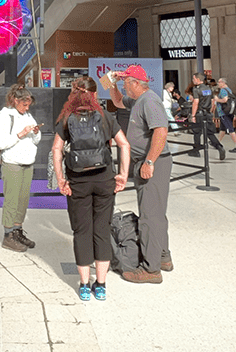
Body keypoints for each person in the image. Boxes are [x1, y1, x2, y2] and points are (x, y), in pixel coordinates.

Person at [52, 76, 130, 301]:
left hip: (78, 181)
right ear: (95, 95)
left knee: (82, 231)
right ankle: (102, 285)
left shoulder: (68, 118)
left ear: (74, 95)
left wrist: (60, 179)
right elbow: (124, 144)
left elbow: (57, 149)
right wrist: (122, 175)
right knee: (101, 230)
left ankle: (84, 285)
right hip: (104, 179)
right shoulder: (106, 117)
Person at [114, 64, 172, 284]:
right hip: (146, 164)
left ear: (136, 84)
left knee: (149, 216)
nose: (125, 87)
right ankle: (163, 256)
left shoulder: (150, 101)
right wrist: (115, 84)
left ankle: (151, 269)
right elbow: (118, 101)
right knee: (156, 213)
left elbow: (161, 130)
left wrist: (149, 161)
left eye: (127, 83)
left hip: (153, 165)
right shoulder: (138, 100)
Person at [0, 85, 41, 253]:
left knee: (22, 200)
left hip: (27, 162)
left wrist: (35, 132)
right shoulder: (6, 115)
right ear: (15, 101)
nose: (27, 108)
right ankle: (8, 236)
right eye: (24, 104)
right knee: (12, 199)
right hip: (12, 163)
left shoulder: (28, 115)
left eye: (28, 105)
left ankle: (17, 231)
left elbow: (36, 140)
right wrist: (20, 134)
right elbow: (1, 143)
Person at [214, 77, 236, 154]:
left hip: (224, 113)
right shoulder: (229, 90)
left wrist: (217, 100)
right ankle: (217, 143)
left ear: (223, 83)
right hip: (229, 112)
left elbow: (225, 100)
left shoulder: (223, 90)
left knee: (230, 129)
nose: (218, 84)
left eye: (219, 82)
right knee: (222, 129)